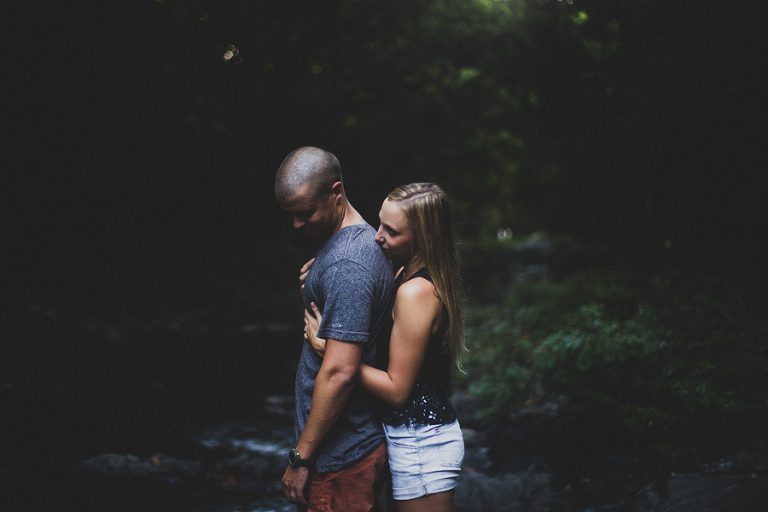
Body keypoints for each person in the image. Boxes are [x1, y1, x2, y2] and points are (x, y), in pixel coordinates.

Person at [303, 183, 466, 512]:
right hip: (411, 437)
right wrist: (322, 276)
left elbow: (396, 391)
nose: (377, 236)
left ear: (423, 238)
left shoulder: (415, 292)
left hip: (422, 443)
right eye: (380, 223)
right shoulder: (403, 272)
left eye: (392, 232)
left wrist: (330, 353)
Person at [275, 147, 395, 512]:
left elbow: (340, 373)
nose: (297, 225)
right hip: (343, 454)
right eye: (290, 215)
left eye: (306, 212)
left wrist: (300, 458)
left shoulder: (348, 264)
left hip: (341, 460)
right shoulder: (349, 245)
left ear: (336, 193)